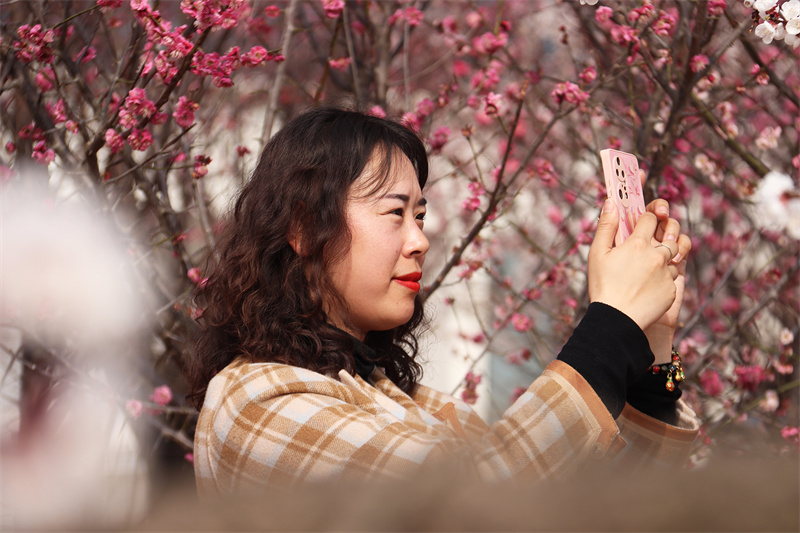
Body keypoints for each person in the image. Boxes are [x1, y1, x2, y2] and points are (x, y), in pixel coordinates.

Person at [188, 106, 699, 498]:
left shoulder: (422, 409)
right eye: (395, 212)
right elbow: (474, 501)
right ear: (302, 228)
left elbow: (603, 510)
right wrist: (612, 324)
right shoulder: (255, 404)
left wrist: (653, 349)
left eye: (421, 216)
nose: (419, 241)